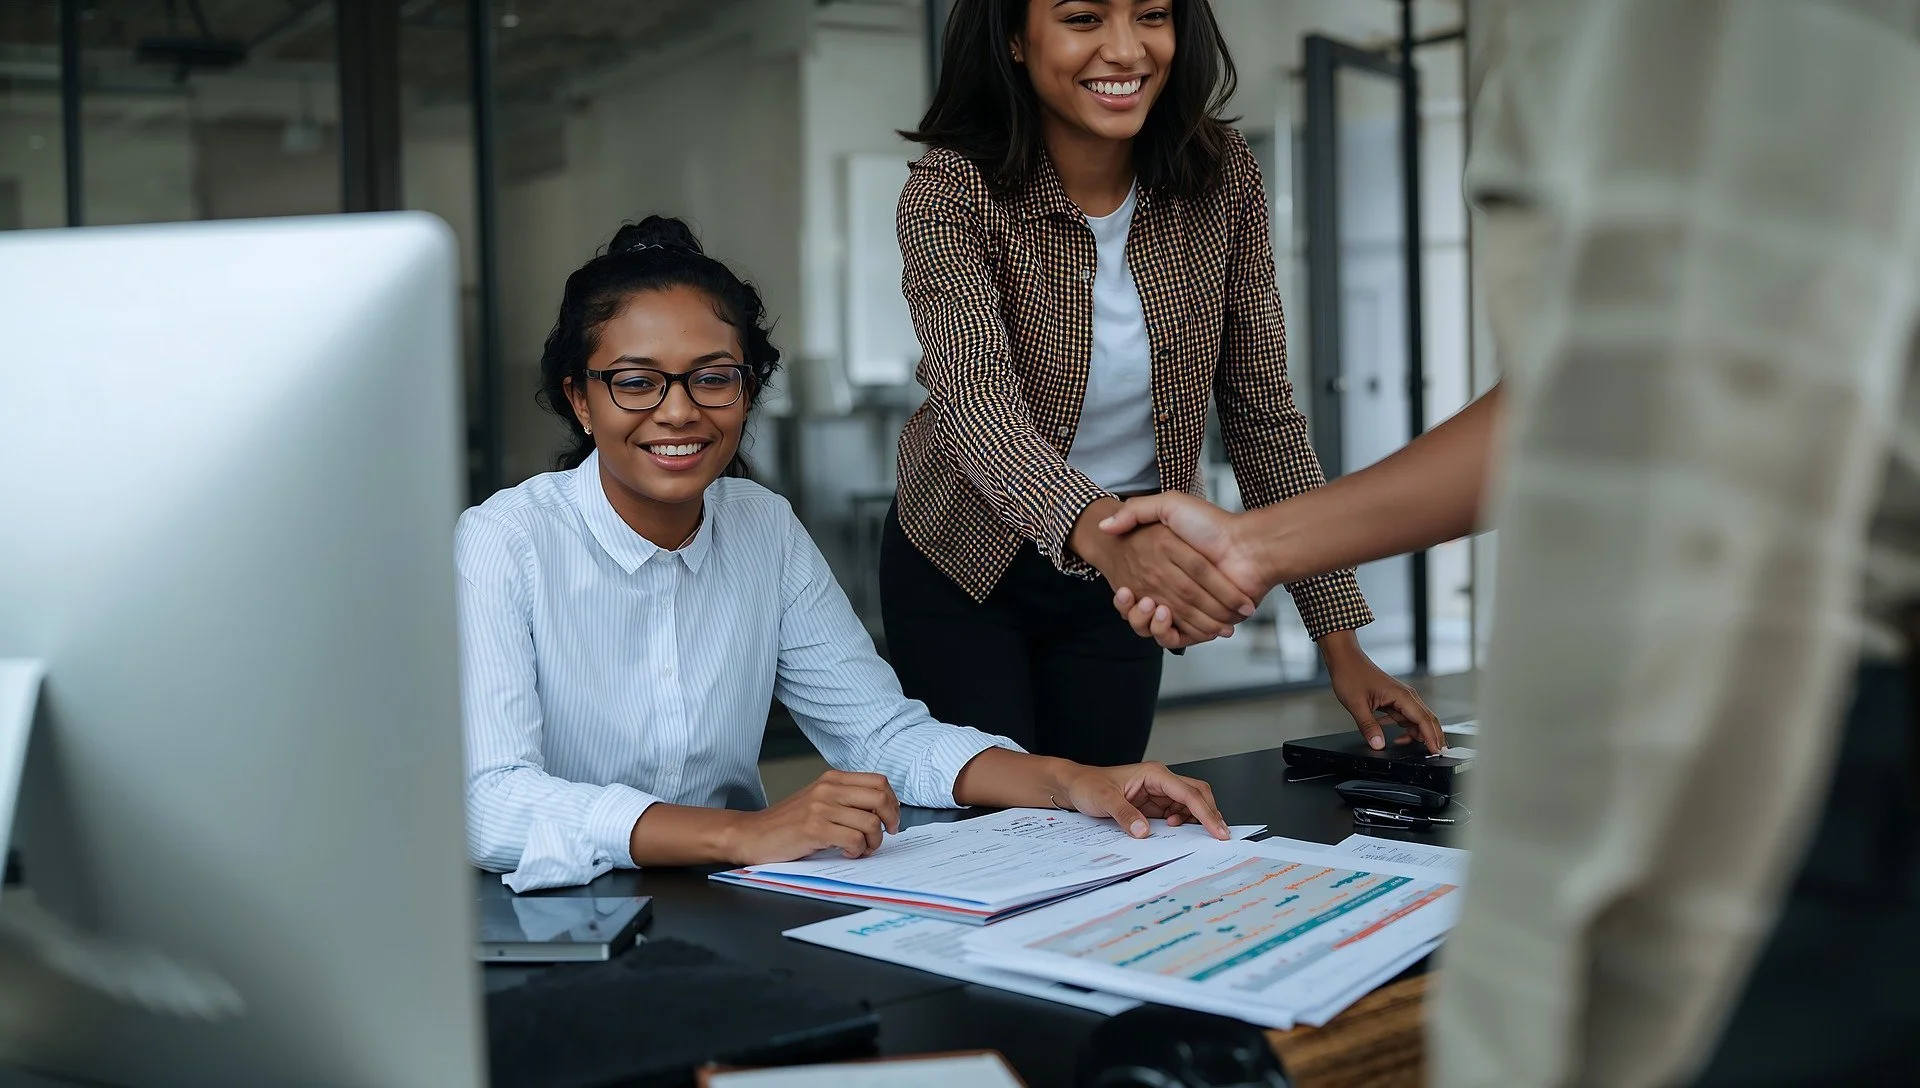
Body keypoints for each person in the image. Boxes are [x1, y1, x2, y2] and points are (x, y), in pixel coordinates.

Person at [1108, 1, 1920, 1082]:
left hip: (1799, 743)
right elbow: (1595, 388)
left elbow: (1679, 424)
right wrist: (1255, 547)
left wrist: (1529, 978)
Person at [458, 216, 1229, 893]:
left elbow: (881, 735)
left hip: (734, 898)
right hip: (559, 914)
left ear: (749, 390)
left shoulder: (763, 526)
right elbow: (491, 800)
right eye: (636, 383)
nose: (680, 410)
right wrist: (740, 834)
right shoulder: (503, 543)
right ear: (579, 400)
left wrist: (1072, 781)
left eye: (713, 378)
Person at [883, 0, 1443, 764]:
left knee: (1107, 824)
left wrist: (1339, 642)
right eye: (1083, 18)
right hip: (965, 559)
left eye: (1151, 13)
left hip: (1120, 579)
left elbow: (1263, 417)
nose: (1125, 49)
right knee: (992, 824)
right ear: (1015, 37)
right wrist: (1106, 536)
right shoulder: (952, 189)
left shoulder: (1222, 177)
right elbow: (977, 406)